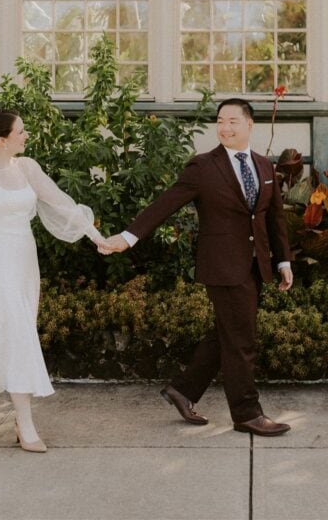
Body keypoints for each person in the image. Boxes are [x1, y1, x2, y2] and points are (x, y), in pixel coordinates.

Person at [101, 98, 294, 436]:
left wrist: (283, 260)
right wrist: (128, 237)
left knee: (228, 334)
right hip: (222, 265)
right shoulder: (203, 167)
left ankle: (183, 390)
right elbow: (166, 204)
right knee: (242, 341)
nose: (225, 127)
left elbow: (274, 217)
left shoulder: (264, 166)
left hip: (254, 265)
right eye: (220, 121)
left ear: (250, 125)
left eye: (233, 121)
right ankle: (247, 413)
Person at [0, 108, 109, 452]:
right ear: (2, 139)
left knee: (7, 333)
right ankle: (24, 423)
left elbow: (60, 202)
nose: (26, 135)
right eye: (21, 131)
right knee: (18, 334)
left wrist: (93, 234)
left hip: (24, 260)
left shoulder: (27, 168)